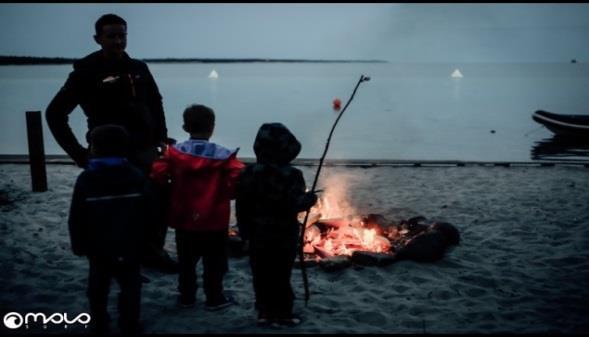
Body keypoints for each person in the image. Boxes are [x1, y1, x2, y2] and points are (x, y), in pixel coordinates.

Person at [45, 13, 177, 273]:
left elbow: (156, 102)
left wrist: (161, 137)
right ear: (98, 39)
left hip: (146, 149)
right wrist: (79, 155)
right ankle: (118, 260)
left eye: (122, 35)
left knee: (158, 200)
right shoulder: (85, 71)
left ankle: (152, 251)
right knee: (117, 210)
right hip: (109, 153)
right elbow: (55, 114)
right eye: (112, 36)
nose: (118, 41)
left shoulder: (139, 68)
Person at [150, 104, 245, 310]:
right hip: (215, 220)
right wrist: (228, 191)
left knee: (186, 262)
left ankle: (187, 297)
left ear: (185, 127)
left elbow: (157, 173)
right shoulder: (223, 155)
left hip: (184, 219)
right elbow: (239, 176)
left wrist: (169, 186)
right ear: (212, 127)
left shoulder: (174, 153)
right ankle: (214, 298)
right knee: (214, 264)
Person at [68, 124, 152, 334]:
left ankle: (99, 321)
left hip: (98, 246)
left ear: (94, 148)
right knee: (131, 287)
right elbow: (149, 212)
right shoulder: (136, 176)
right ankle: (129, 323)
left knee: (98, 286)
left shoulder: (86, 179)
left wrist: (78, 244)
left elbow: (76, 216)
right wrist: (148, 242)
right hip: (130, 244)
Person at [235, 123, 318, 327]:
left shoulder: (247, 173)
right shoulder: (292, 175)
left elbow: (241, 205)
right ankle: (283, 314)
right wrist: (310, 200)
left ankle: (264, 312)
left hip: (256, 235)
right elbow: (295, 204)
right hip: (284, 235)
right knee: (281, 275)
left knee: (261, 274)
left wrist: (244, 231)